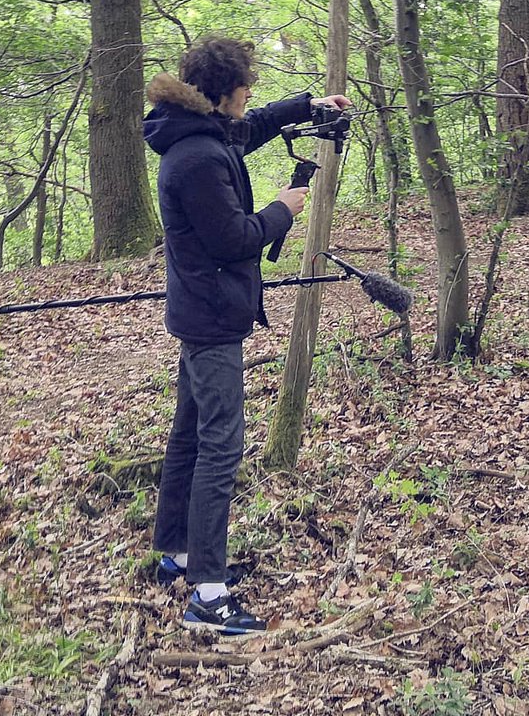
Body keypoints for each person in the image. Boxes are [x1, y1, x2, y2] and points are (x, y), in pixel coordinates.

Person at [142, 37, 349, 635]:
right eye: (245, 87)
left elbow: (250, 129)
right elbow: (233, 238)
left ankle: (176, 553)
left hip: (200, 309)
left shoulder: (196, 131)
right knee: (220, 446)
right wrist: (284, 208)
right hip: (211, 319)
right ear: (223, 91)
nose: (250, 96)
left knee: (188, 435)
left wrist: (309, 107)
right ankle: (207, 594)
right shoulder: (197, 158)